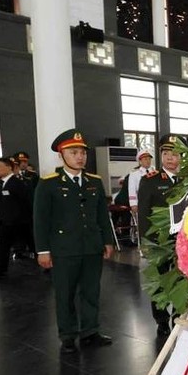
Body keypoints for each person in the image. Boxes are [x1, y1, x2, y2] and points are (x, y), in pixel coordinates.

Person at [33, 129, 115, 354]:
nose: (80, 157)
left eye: (82, 152)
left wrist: (107, 241)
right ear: (61, 155)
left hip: (91, 246)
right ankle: (67, 335)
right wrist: (42, 251)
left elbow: (102, 216)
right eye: (73, 152)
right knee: (65, 293)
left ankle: (90, 331)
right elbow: (40, 220)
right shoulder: (48, 183)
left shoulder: (94, 182)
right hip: (63, 248)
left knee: (91, 291)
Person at [138, 135, 183, 336]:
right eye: (165, 154)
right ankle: (162, 320)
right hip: (159, 242)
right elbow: (144, 214)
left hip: (183, 241)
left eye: (174, 154)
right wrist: (145, 242)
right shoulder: (150, 181)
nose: (169, 158)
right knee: (160, 281)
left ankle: (180, 315)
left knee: (182, 280)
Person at [0, 158, 32, 281]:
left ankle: (49, 266)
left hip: (21, 221)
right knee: (3, 246)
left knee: (33, 244)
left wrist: (23, 218)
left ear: (9, 167)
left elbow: (26, 202)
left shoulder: (17, 183)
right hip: (7, 221)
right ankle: (1, 271)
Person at [128, 149, 153, 215]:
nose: (148, 161)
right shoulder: (134, 174)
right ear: (140, 161)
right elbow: (132, 189)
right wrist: (133, 204)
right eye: (145, 159)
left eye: (149, 159)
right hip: (141, 202)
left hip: (153, 202)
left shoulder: (155, 172)